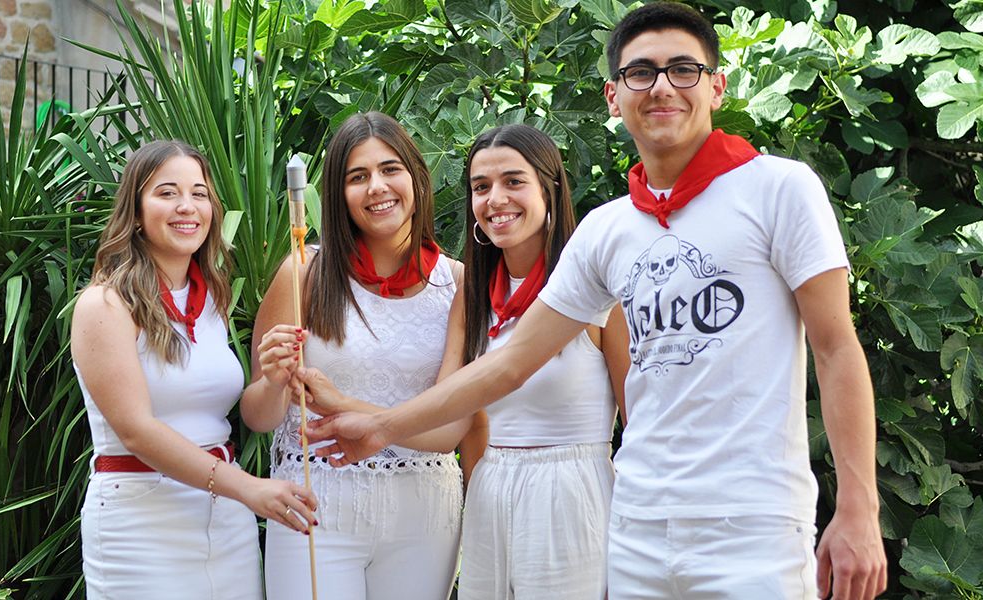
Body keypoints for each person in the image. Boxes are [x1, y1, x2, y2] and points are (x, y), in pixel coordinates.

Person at [302, 3, 888, 599]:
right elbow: (507, 364)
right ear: (614, 96)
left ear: (717, 87)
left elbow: (836, 347)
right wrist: (381, 427)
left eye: (683, 69)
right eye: (641, 72)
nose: (661, 86)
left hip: (751, 527)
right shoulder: (608, 230)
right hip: (637, 532)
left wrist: (859, 508)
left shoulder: (779, 188)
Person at [241, 112, 477, 600]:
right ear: (337, 195)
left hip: (424, 513)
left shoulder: (458, 284)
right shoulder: (304, 272)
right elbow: (259, 417)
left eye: (390, 169)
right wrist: (271, 381)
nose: (377, 187)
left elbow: (449, 428)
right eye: (357, 176)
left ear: (416, 176)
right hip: (314, 506)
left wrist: (343, 402)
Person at [71, 140, 317, 600]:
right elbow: (138, 431)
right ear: (136, 212)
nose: (187, 206)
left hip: (227, 521)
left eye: (199, 193)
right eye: (167, 193)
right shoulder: (104, 304)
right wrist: (249, 488)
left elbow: (238, 416)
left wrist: (277, 378)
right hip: (142, 520)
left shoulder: (212, 303)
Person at [447, 124, 629, 598]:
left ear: (549, 189)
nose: (495, 199)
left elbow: (640, 421)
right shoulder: (471, 298)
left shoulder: (599, 292)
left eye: (513, 181)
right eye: (480, 187)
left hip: (571, 491)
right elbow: (463, 421)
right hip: (489, 490)